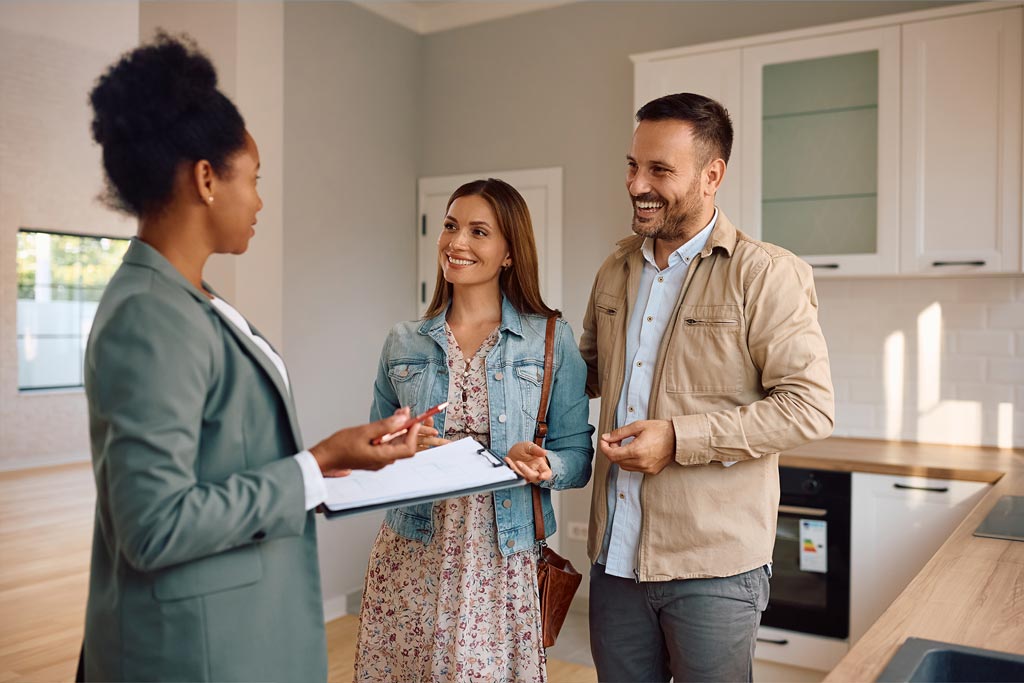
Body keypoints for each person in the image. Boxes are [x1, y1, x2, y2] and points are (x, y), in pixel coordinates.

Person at [80, 33, 421, 682]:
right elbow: (153, 524)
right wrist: (314, 466)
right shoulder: (149, 315)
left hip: (237, 634)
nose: (260, 200)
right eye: (254, 179)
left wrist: (333, 458)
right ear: (206, 178)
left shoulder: (192, 299)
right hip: (195, 653)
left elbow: (225, 461)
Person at [580, 92, 835, 682]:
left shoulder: (765, 273)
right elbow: (585, 375)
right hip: (615, 561)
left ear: (712, 175)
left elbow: (809, 408)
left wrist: (677, 439)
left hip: (713, 571)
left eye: (659, 170)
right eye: (632, 165)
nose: (636, 183)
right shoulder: (615, 268)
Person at [354, 178, 594, 682]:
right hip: (411, 547)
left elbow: (577, 455)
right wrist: (399, 446)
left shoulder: (551, 338)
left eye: (479, 231)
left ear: (509, 252)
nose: (457, 242)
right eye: (450, 226)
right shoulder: (404, 342)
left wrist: (546, 466)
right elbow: (373, 446)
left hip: (500, 556)